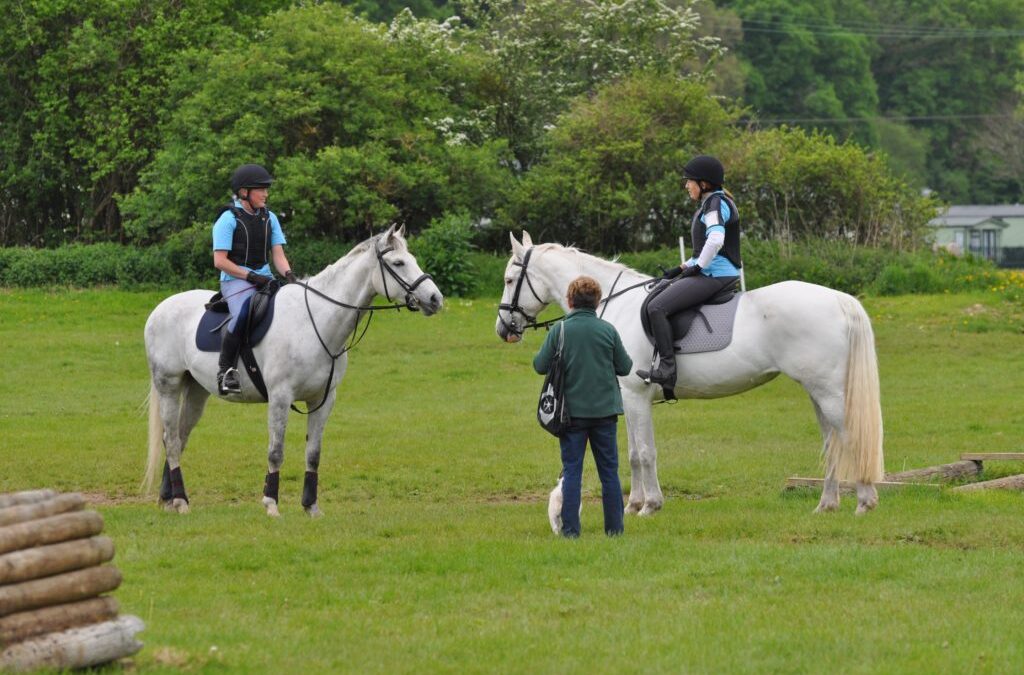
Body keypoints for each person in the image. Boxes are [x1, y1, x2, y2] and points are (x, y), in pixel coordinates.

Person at [533, 276, 633, 538]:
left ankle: (570, 531)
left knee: (573, 472)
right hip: (605, 413)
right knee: (609, 473)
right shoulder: (608, 330)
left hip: (571, 415)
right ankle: (615, 530)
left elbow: (539, 365)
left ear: (569, 301)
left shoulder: (560, 330)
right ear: (597, 302)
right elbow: (625, 367)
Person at [636, 155, 742, 394]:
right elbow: (703, 249)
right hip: (713, 271)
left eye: (689, 181)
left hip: (715, 275)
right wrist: (682, 268)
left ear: (703, 184)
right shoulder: (712, 203)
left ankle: (667, 369)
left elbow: (715, 240)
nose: (686, 185)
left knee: (657, 307)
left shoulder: (715, 204)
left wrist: (698, 267)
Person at [212, 163, 297, 395]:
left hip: (265, 278)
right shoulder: (227, 219)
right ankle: (225, 371)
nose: (266, 194)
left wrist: (289, 275)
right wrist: (250, 276)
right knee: (243, 313)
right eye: (261, 189)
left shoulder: (270, 218)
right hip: (235, 280)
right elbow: (220, 261)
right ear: (244, 192)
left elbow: (278, 255)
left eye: (266, 189)